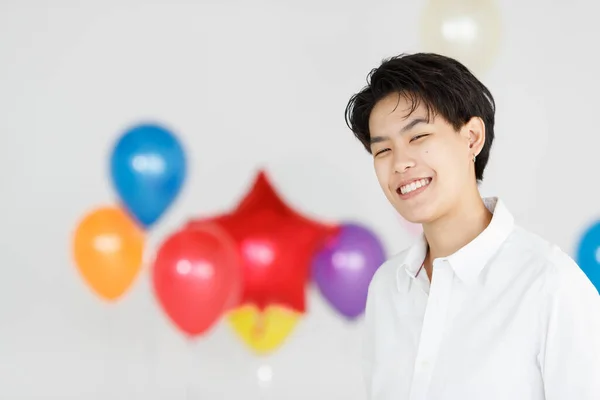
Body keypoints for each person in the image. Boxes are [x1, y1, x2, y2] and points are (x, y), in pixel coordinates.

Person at [344, 52, 600, 400]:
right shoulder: (387, 287)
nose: (401, 163)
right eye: (382, 150)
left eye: (417, 137)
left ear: (472, 138)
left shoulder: (550, 284)